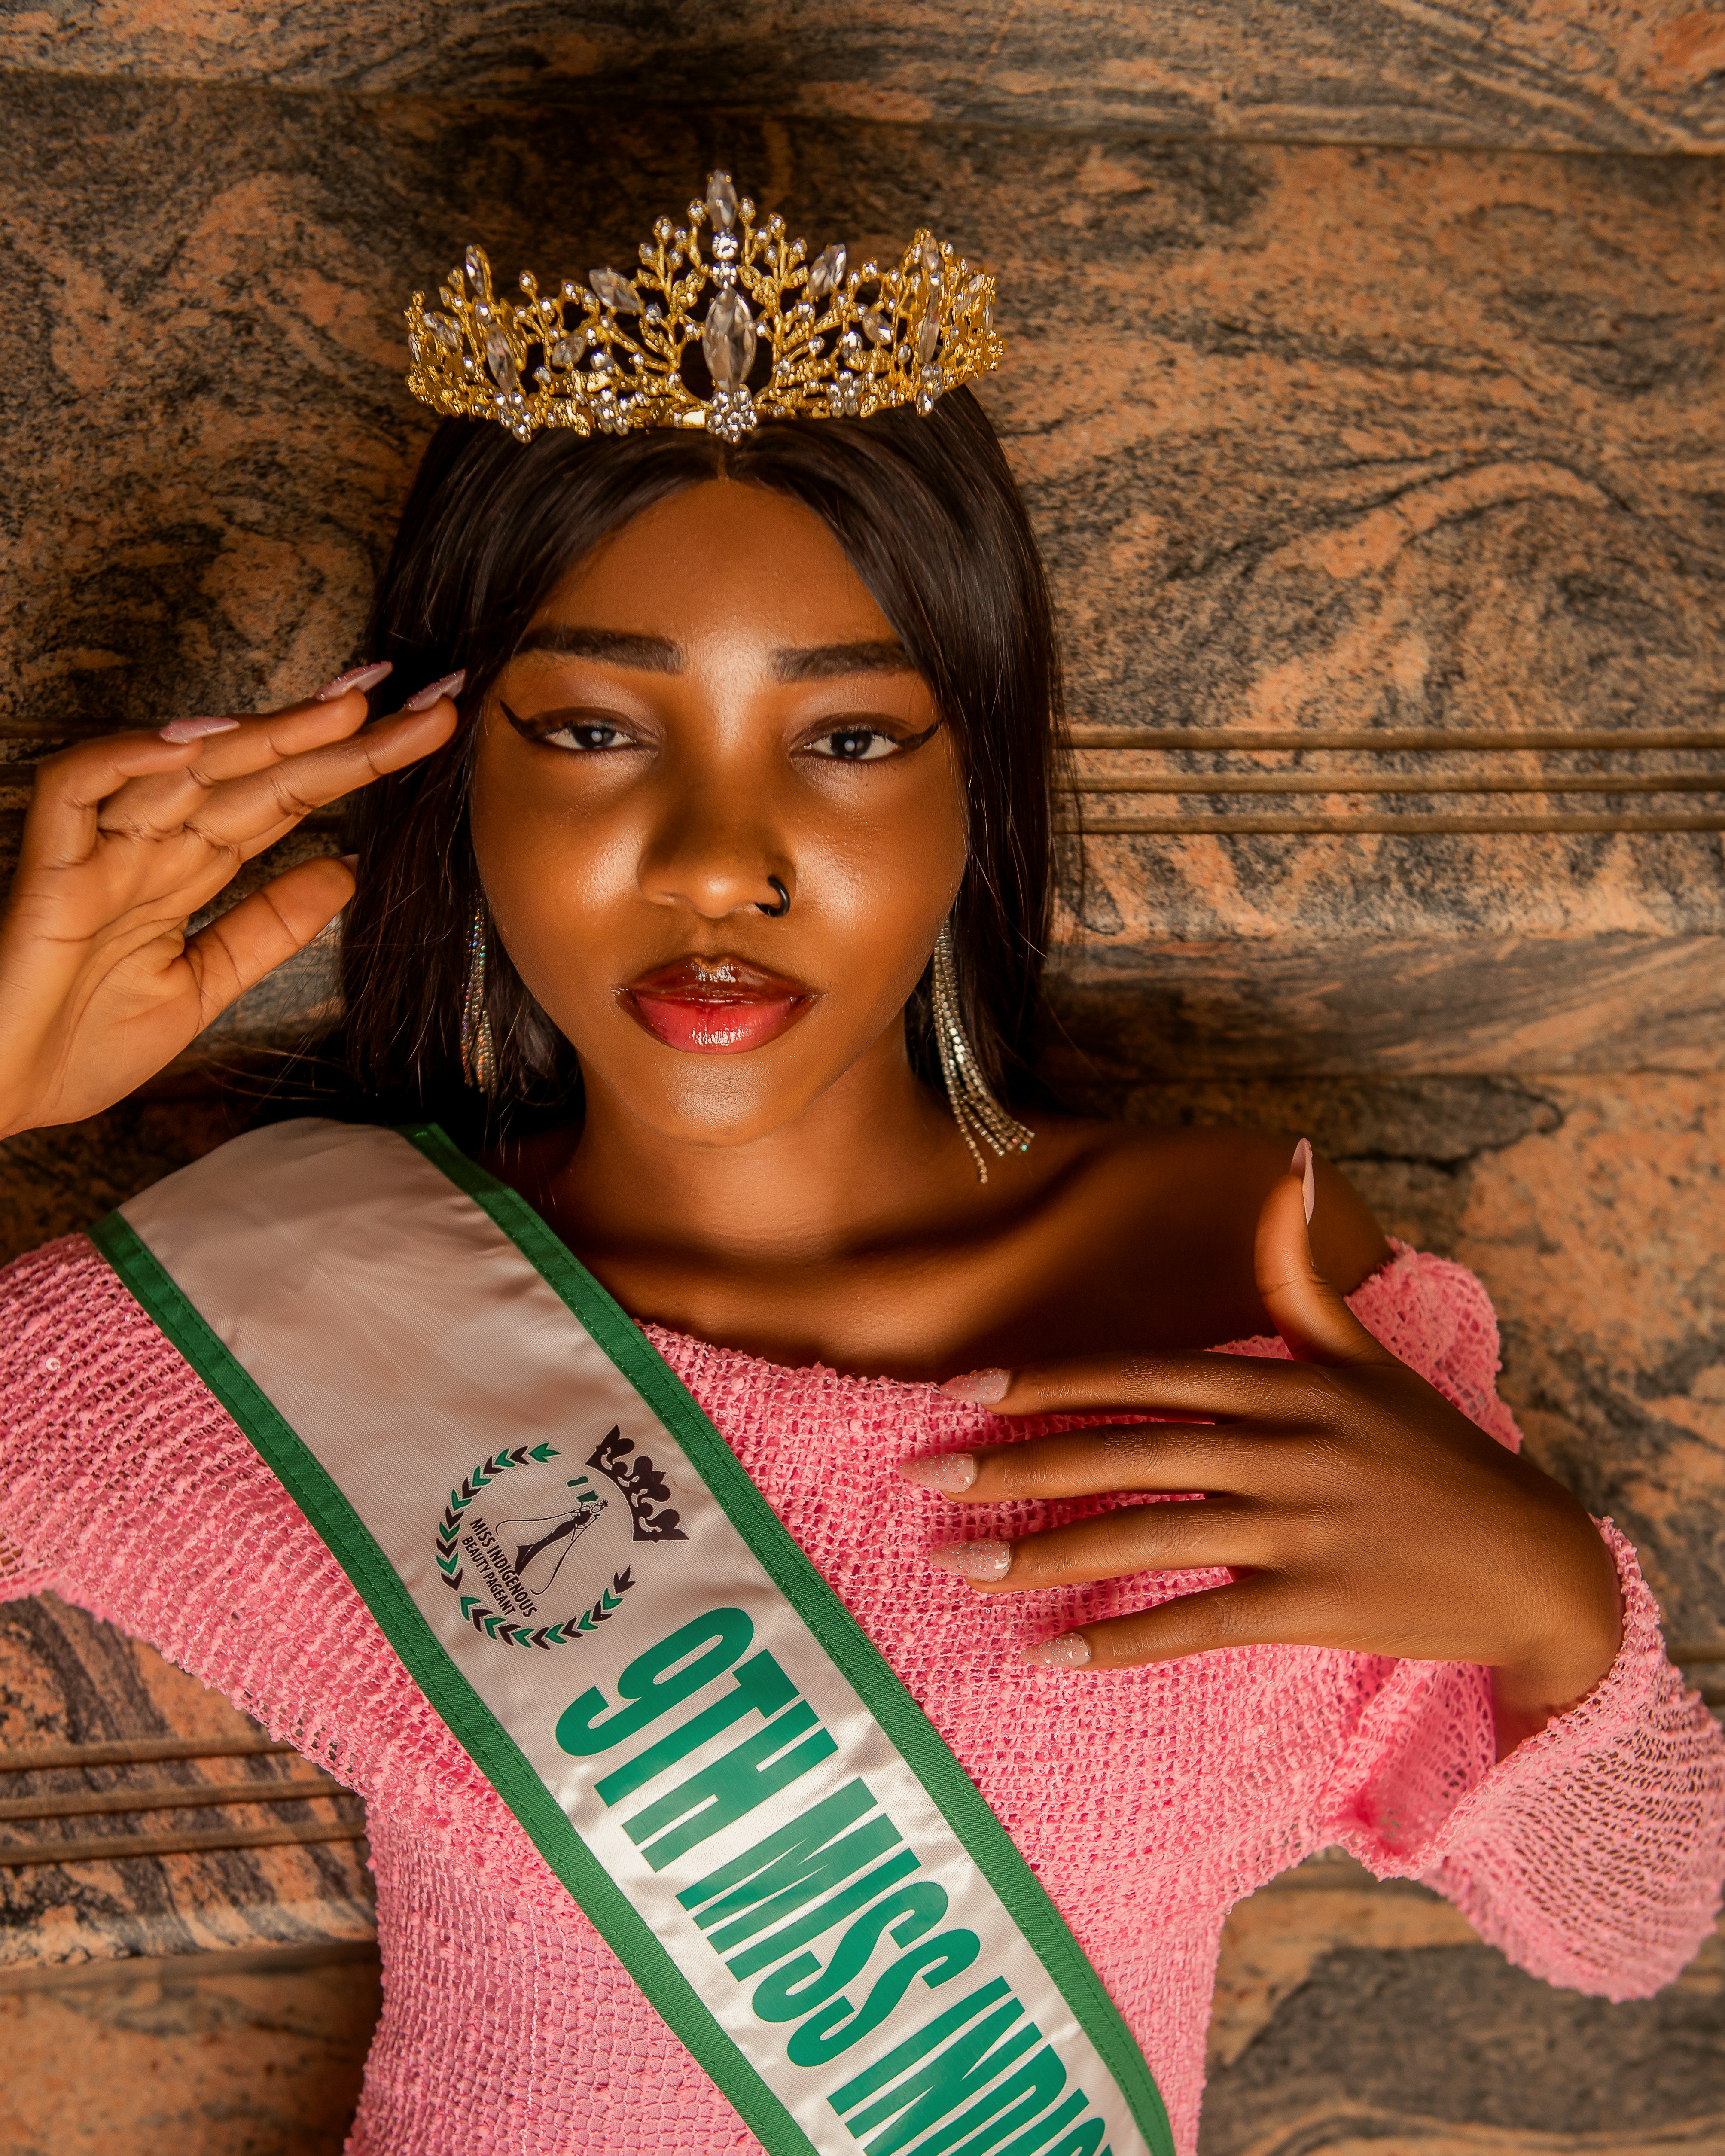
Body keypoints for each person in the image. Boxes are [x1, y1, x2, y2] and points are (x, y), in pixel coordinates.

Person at [0, 175, 1719, 2156]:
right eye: (584, 728)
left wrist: (1546, 1611)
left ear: (971, 781)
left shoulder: (1244, 1270)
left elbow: (1622, 1922)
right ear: (441, 778)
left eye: (840, 740)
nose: (715, 854)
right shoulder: (303, 1312)